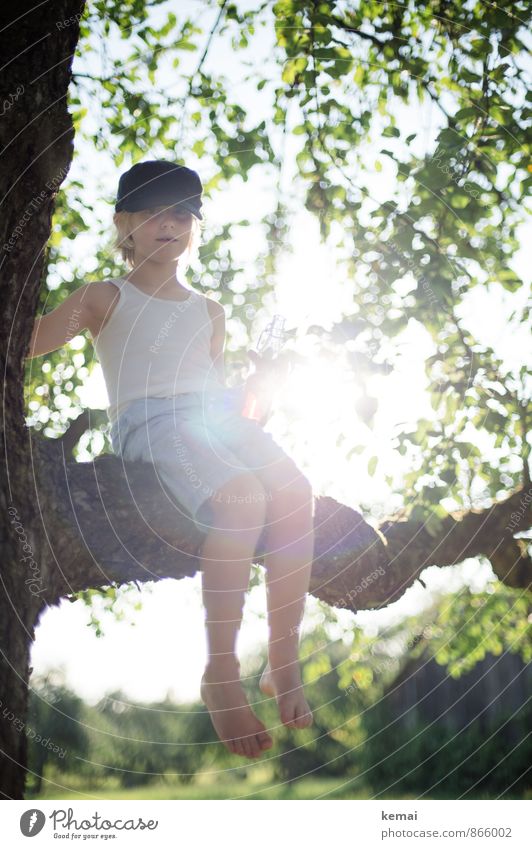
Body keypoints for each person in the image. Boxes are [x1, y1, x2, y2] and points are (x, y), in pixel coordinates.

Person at [27, 160, 315, 760]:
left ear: (194, 228)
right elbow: (26, 340)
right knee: (241, 498)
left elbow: (215, 399)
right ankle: (220, 672)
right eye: (153, 212)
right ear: (123, 225)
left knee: (294, 493)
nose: (169, 224)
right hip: (148, 422)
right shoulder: (105, 297)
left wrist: (257, 395)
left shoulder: (209, 311)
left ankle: (283, 657)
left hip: (212, 419)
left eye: (182, 213)